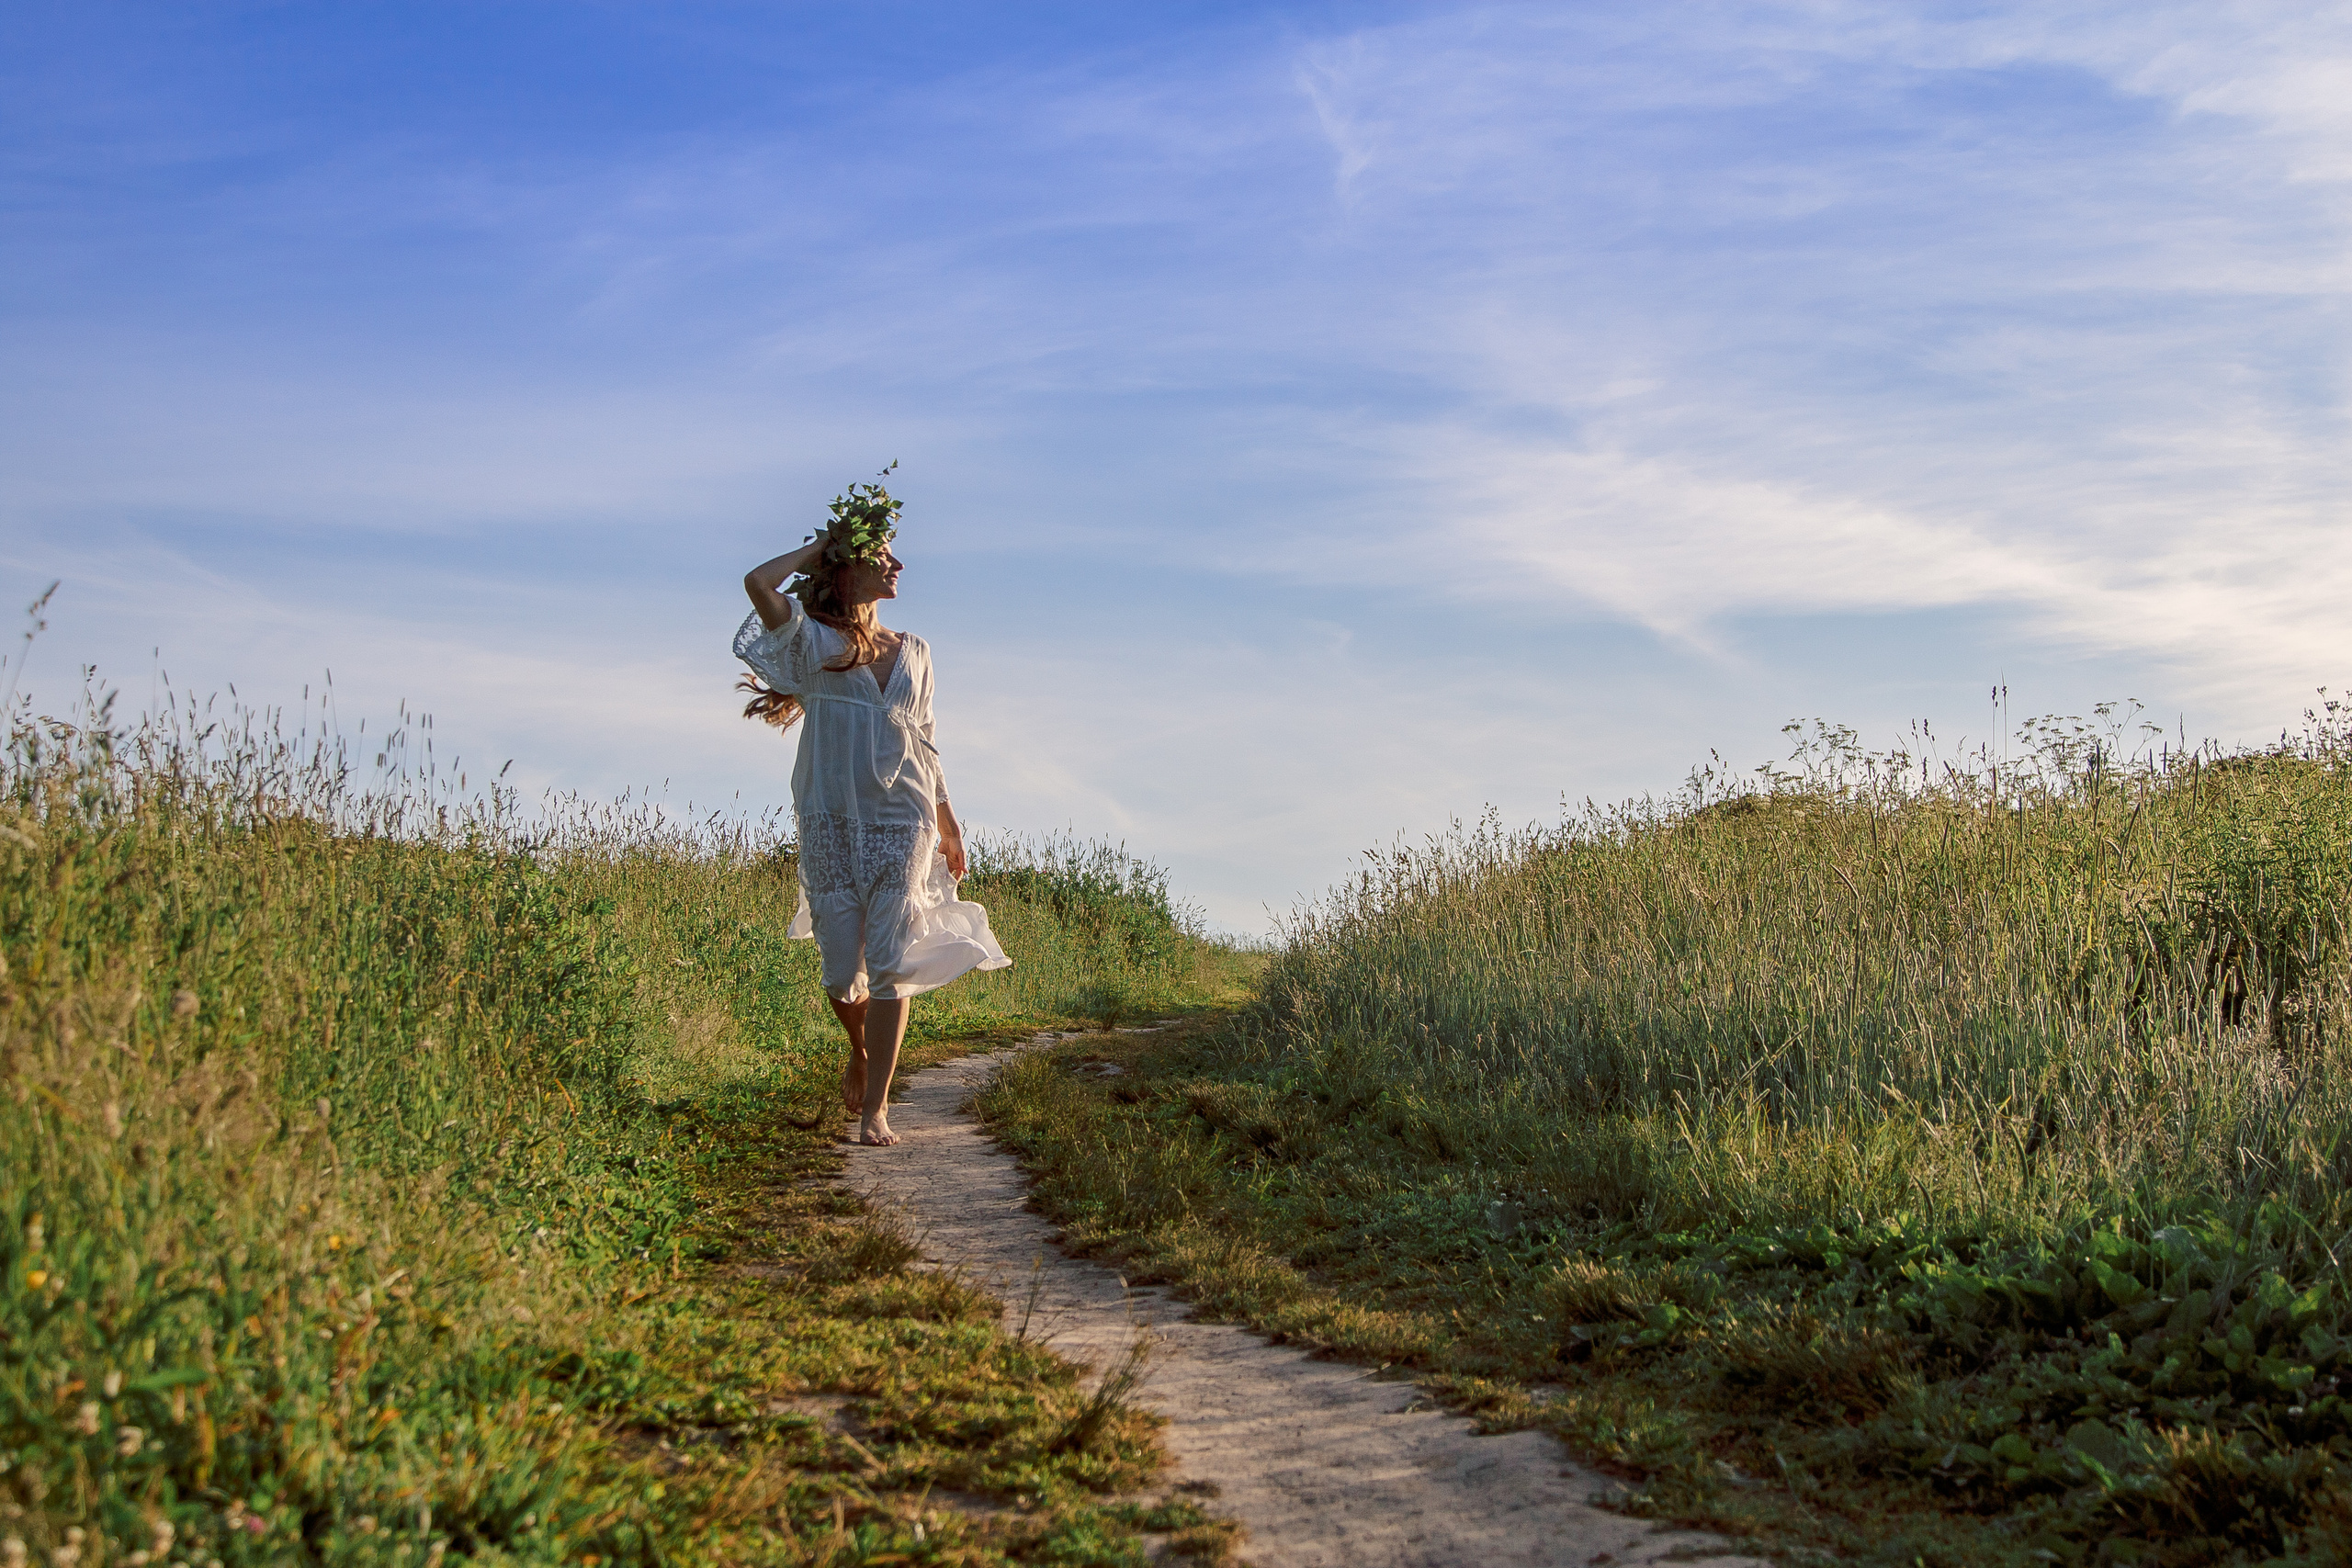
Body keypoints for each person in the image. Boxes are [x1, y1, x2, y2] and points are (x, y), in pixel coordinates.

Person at [734, 518, 1011, 1145]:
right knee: (841, 972)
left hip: (902, 817)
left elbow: (925, 739)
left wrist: (947, 817)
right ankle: (860, 1048)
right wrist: (820, 546)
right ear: (845, 567)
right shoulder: (811, 641)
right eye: (882, 555)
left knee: (888, 961)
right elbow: (757, 583)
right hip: (831, 814)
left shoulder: (917, 651)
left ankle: (875, 1109)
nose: (898, 565)